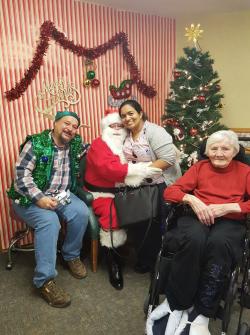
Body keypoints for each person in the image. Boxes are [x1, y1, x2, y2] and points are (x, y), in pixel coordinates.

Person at [146, 130, 250, 335]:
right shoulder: (199, 167)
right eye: (214, 148)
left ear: (235, 151)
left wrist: (229, 207)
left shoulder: (245, 171)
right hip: (197, 216)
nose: (219, 153)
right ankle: (177, 303)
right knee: (193, 239)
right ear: (207, 151)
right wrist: (193, 200)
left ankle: (203, 310)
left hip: (229, 220)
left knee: (219, 244)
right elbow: (171, 191)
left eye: (225, 148)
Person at [7, 111, 89, 308]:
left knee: (81, 212)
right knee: (50, 222)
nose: (70, 128)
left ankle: (71, 255)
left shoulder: (75, 144)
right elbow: (21, 176)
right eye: (66, 123)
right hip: (28, 198)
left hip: (61, 195)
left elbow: (96, 149)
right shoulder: (36, 143)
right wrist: (40, 198)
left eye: (75, 126)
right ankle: (44, 281)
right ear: (55, 123)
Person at [84, 108, 162, 290]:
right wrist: (142, 170)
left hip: (125, 191)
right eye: (113, 125)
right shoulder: (99, 145)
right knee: (114, 216)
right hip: (102, 193)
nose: (117, 128)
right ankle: (114, 262)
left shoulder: (129, 142)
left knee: (148, 211)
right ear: (106, 127)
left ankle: (147, 257)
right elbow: (108, 170)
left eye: (121, 125)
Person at [118, 99, 181, 274]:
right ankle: (145, 259)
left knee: (156, 224)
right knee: (139, 224)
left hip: (160, 184)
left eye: (131, 113)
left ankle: (161, 264)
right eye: (123, 116)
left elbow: (168, 159)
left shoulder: (155, 131)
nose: (127, 118)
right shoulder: (127, 135)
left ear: (140, 113)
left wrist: (141, 171)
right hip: (138, 185)